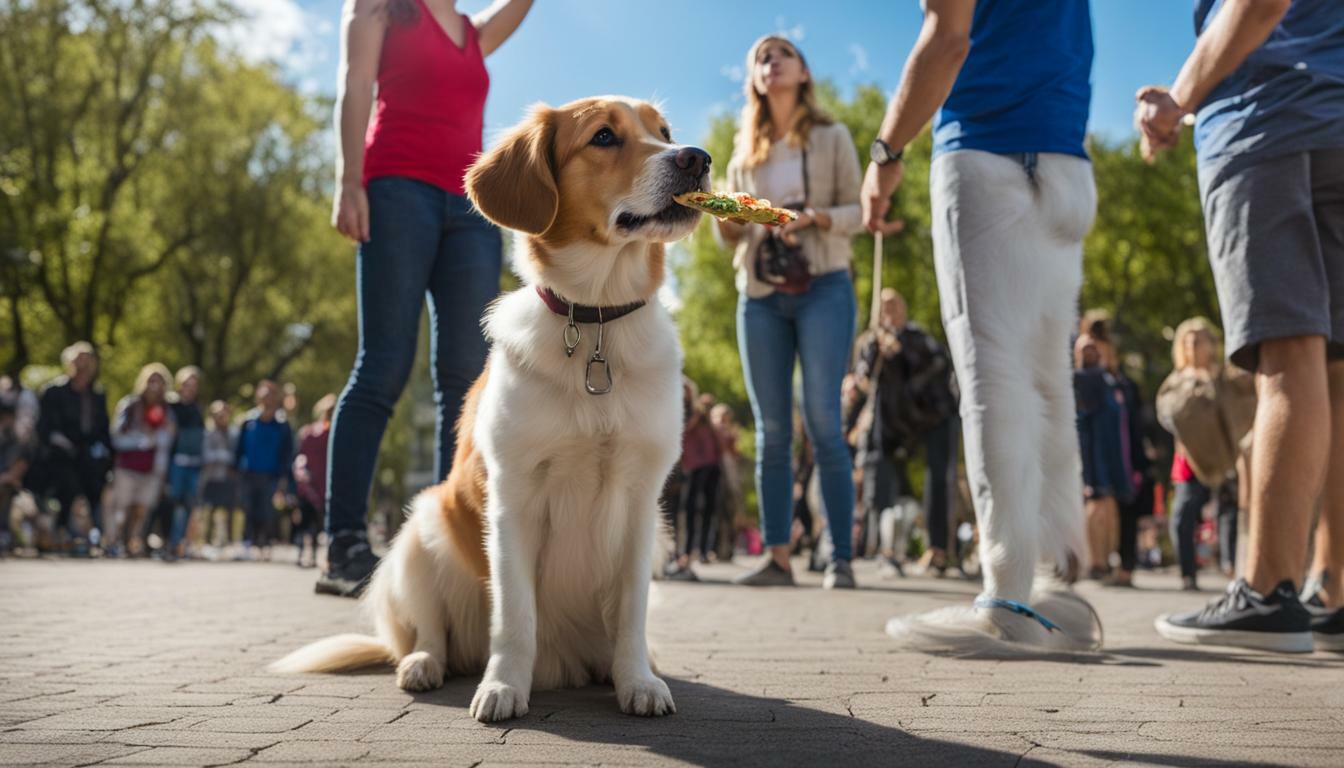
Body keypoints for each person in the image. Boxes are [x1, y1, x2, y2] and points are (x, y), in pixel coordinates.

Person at [863, 0, 1101, 650]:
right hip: (1065, 161)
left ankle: (1007, 596)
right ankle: (1055, 585)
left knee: (992, 372)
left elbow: (948, 37)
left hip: (988, 154)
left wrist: (886, 152)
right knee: (1046, 377)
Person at [1138, 0, 1344, 652]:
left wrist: (1177, 100)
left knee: (1289, 355)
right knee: (1336, 372)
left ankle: (1267, 591)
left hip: (1267, 124)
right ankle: (1333, 590)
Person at [320, 0, 535, 597]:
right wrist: (349, 180)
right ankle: (343, 543)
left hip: (470, 209)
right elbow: (354, 83)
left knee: (466, 378)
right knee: (384, 365)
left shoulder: (472, 32)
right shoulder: (379, 9)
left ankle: (449, 547)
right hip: (396, 189)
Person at [718, 34, 865, 590]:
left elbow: (858, 210)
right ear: (754, 79)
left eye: (781, 55)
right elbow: (730, 239)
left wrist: (814, 217)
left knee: (825, 421)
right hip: (760, 294)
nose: (770, 62)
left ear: (803, 72)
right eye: (760, 57)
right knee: (772, 430)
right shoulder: (742, 155)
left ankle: (841, 555)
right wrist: (727, 219)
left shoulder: (832, 137)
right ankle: (778, 557)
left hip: (825, 284)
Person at [851, 289, 959, 574]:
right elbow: (864, 377)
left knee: (938, 477)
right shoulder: (872, 342)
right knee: (880, 473)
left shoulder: (917, 337)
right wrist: (879, 349)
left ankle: (938, 550)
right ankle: (884, 548)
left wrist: (902, 351)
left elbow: (940, 364)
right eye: (883, 305)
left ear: (904, 309)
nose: (888, 310)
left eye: (894, 304)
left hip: (933, 415)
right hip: (896, 423)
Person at [34, 342, 112, 550]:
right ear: (69, 363)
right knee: (68, 487)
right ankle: (62, 533)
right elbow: (44, 427)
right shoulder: (53, 391)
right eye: (79, 360)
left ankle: (92, 536)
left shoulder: (97, 395)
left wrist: (103, 452)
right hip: (59, 455)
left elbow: (103, 429)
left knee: (96, 488)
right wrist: (59, 441)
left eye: (88, 360)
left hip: (88, 456)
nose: (83, 365)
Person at [1074, 334, 1133, 580]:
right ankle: (1095, 561)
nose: (1091, 351)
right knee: (1095, 506)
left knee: (1110, 508)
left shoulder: (1112, 382)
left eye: (1094, 348)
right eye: (1085, 348)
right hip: (1089, 452)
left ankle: (1106, 560)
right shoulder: (1079, 380)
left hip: (1113, 453)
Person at [107, 363, 177, 557]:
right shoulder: (129, 405)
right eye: (151, 380)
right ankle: (116, 541)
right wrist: (144, 439)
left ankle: (132, 542)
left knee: (142, 509)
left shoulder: (167, 410)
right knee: (123, 507)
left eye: (160, 381)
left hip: (153, 468)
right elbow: (117, 436)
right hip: (128, 466)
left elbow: (167, 440)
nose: (155, 385)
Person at [235, 380, 294, 561]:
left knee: (267, 512)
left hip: (271, 475)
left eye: (271, 394)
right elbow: (239, 448)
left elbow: (287, 453)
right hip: (249, 474)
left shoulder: (283, 425)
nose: (267, 398)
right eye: (264, 393)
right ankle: (247, 544)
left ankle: (265, 545)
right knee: (248, 509)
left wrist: (284, 479)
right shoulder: (247, 421)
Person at [165, 367, 205, 560]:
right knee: (175, 502)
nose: (190, 388)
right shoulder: (171, 406)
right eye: (186, 384)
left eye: (194, 385)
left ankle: (180, 543)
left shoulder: (197, 409)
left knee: (189, 504)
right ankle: (171, 542)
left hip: (194, 464)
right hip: (176, 462)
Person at [293, 394, 336, 569]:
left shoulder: (334, 433)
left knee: (318, 526)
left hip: (325, 486)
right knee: (306, 523)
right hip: (309, 486)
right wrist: (301, 475)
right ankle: (303, 554)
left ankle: (314, 555)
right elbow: (301, 457)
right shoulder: (310, 432)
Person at [680, 393, 723, 565]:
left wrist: (712, 425)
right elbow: (683, 434)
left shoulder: (713, 428)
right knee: (690, 510)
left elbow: (722, 447)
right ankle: (688, 550)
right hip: (694, 470)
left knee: (710, 510)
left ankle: (705, 550)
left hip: (712, 469)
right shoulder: (692, 421)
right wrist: (697, 418)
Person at [200, 400, 237, 551]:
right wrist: (223, 456)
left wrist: (222, 457)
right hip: (211, 477)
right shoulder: (207, 433)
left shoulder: (233, 433)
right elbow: (206, 456)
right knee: (209, 509)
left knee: (230, 510)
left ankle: (229, 543)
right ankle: (206, 542)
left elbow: (236, 455)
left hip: (228, 478)